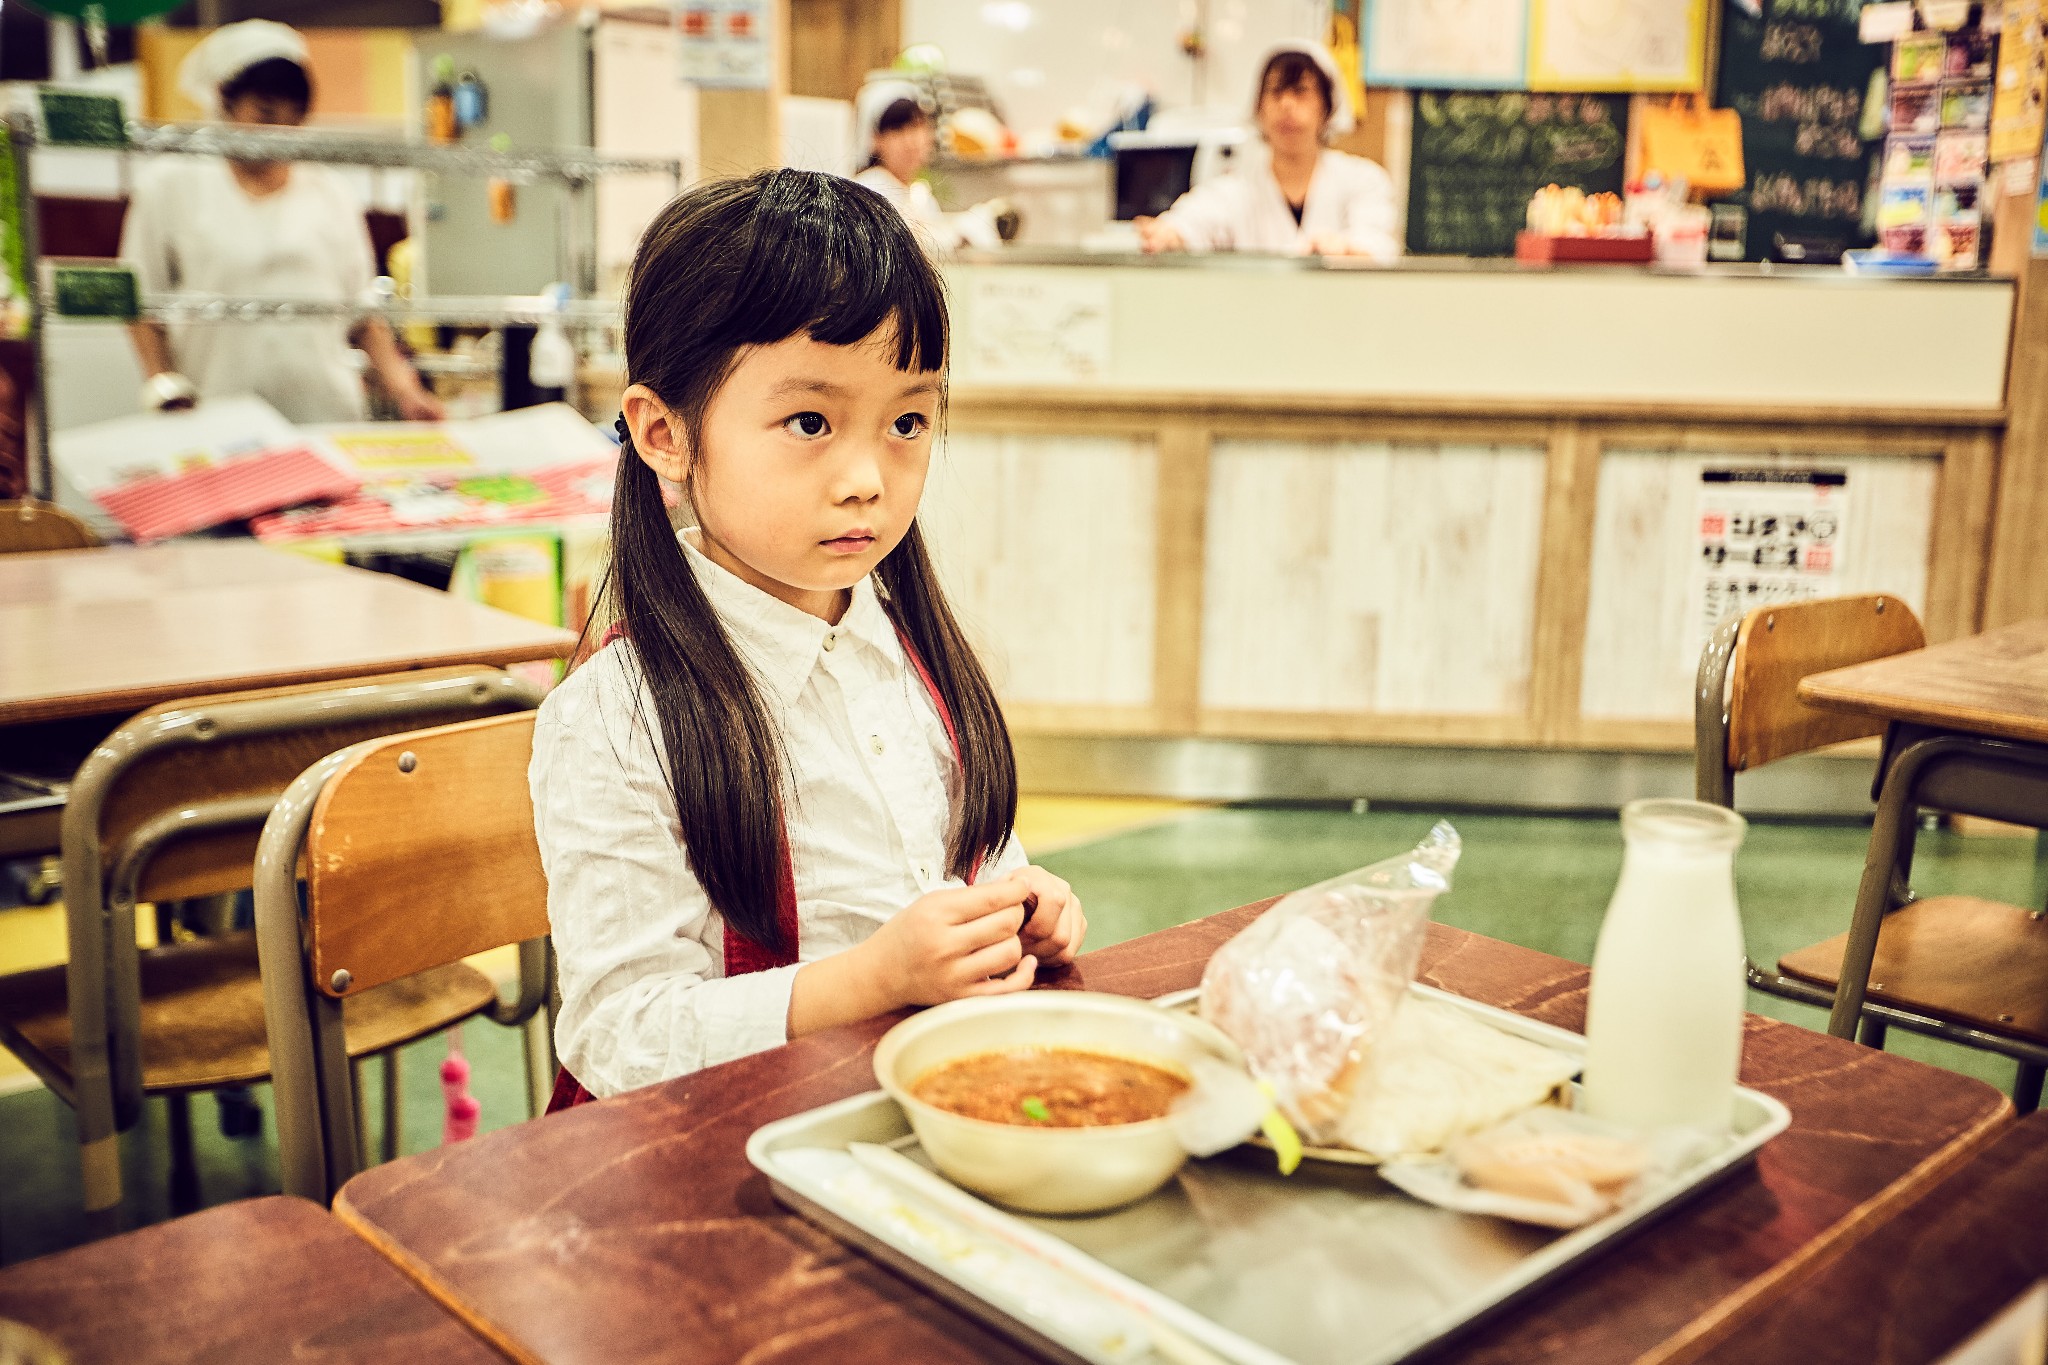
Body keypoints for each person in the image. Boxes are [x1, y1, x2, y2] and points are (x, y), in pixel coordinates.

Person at [532, 170, 1086, 1104]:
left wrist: (1023, 903)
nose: (869, 476)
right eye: (810, 421)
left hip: (909, 1121)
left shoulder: (913, 654)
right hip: (717, 1171)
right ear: (664, 434)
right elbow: (618, 1034)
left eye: (907, 420)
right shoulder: (616, 717)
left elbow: (967, 854)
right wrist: (869, 981)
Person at [121, 21, 443, 423]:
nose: (278, 131)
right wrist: (165, 387)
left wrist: (407, 392)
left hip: (327, 416)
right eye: (265, 112)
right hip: (216, 418)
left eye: (293, 118)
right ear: (224, 99)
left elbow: (364, 318)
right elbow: (138, 305)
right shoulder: (173, 184)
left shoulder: (331, 192)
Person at [1137, 41, 1399, 260]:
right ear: (1258, 108)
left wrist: (1343, 249)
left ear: (1327, 107)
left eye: (1300, 92)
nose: (1286, 105)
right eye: (1275, 92)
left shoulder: (1364, 181)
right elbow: (1193, 221)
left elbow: (1377, 244)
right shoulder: (1235, 191)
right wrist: (1169, 233)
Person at [850, 79, 1005, 253]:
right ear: (874, 139)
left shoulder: (918, 194)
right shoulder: (869, 190)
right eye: (898, 130)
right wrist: (960, 233)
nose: (911, 141)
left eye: (916, 126)